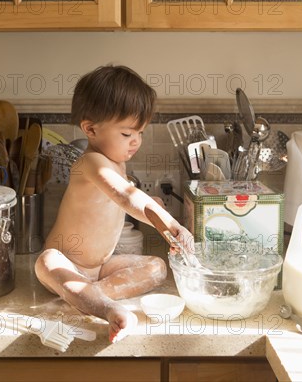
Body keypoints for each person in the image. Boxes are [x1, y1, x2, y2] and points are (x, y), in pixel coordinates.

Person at [35, 65, 195, 343]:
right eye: (126, 134)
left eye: (140, 133)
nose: (135, 142)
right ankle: (106, 307)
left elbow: (126, 201)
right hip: (66, 262)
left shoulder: (117, 164)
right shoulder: (91, 162)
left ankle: (84, 295)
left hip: (100, 268)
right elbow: (126, 197)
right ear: (90, 129)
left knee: (157, 267)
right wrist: (170, 223)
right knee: (45, 261)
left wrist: (157, 210)